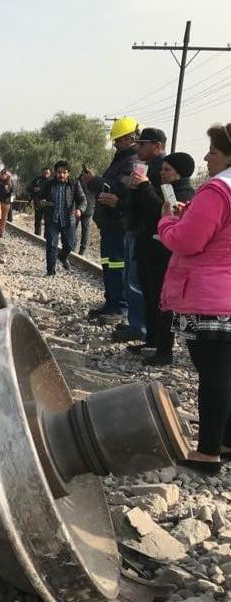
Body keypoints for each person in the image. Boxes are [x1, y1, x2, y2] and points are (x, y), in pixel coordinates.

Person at [157, 123, 231, 475]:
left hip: (212, 297)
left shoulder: (218, 191)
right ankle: (227, 441)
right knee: (227, 372)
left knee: (214, 373)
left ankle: (208, 453)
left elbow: (188, 242)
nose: (206, 157)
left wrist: (166, 224)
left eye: (213, 152)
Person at [125, 128, 174, 363]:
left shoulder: (165, 170)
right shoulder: (145, 168)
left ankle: (159, 345)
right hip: (144, 239)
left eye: (142, 144)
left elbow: (162, 208)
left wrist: (144, 186)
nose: (138, 148)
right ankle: (150, 340)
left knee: (157, 296)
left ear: (156, 145)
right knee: (147, 292)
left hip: (158, 244)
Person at [89, 116, 138, 321]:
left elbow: (118, 187)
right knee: (109, 263)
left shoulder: (132, 161)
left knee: (117, 264)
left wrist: (95, 181)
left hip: (119, 222)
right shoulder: (121, 158)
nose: (116, 143)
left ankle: (120, 306)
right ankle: (111, 302)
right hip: (110, 223)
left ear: (130, 138)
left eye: (118, 139)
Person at [36, 161, 86, 276]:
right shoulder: (49, 184)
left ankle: (62, 257)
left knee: (69, 245)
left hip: (69, 220)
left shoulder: (74, 184)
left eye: (64, 172)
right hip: (52, 219)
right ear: (55, 173)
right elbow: (38, 198)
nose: (61, 175)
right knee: (52, 245)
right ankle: (50, 271)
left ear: (68, 173)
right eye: (59, 172)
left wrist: (79, 210)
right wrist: (43, 204)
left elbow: (83, 200)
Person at [77, 166, 96, 255]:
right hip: (84, 209)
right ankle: (81, 250)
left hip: (83, 209)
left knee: (81, 230)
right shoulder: (92, 183)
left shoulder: (78, 182)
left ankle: (78, 249)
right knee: (85, 230)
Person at [31, 167, 52, 235]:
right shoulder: (37, 179)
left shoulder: (52, 181)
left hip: (47, 203)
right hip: (38, 201)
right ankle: (37, 234)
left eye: (47, 173)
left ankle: (46, 236)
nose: (46, 174)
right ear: (42, 173)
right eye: (45, 173)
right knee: (38, 219)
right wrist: (34, 189)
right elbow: (29, 187)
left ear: (50, 174)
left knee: (47, 220)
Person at [0, 169, 14, 236]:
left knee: (4, 218)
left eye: (4, 174)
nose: (3, 175)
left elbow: (12, 192)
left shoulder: (10, 182)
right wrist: (1, 191)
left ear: (7, 175)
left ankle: (1, 232)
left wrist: (1, 191)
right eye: (2, 174)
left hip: (6, 202)